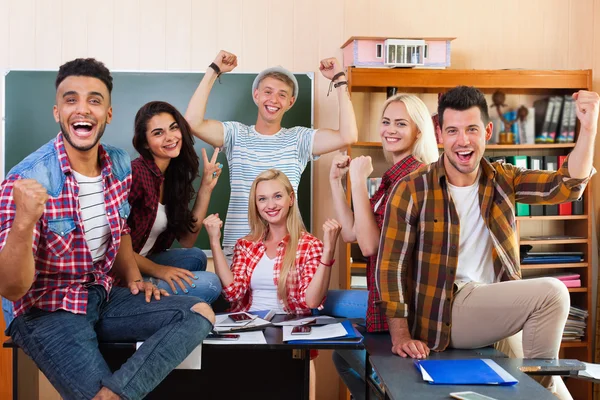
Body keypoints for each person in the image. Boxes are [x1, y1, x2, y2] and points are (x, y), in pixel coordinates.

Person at [0, 58, 215, 400]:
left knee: (199, 312)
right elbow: (12, 289)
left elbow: (122, 230)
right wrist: (24, 224)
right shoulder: (27, 179)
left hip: (100, 294)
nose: (82, 109)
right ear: (57, 112)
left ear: (108, 114)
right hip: (47, 310)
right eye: (71, 99)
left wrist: (133, 277)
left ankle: (114, 395)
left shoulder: (116, 164)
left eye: (94, 100)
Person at [376, 85, 598, 398]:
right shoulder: (413, 188)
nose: (462, 141)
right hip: (447, 314)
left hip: (496, 308)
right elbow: (390, 266)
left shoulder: (504, 178)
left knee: (560, 394)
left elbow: (566, 187)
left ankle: (538, 387)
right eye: (452, 130)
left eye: (471, 129)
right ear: (440, 135)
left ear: (487, 131)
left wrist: (588, 130)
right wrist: (400, 334)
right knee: (553, 294)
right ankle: (533, 390)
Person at [186, 50, 357, 261]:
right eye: (267, 92)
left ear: (290, 102)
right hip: (239, 247)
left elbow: (348, 136)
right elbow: (193, 123)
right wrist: (214, 70)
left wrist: (339, 79)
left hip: (287, 249)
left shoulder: (299, 139)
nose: (274, 99)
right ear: (256, 95)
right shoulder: (235, 134)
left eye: (282, 94)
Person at [328, 94, 439, 399]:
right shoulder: (393, 178)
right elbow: (352, 232)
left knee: (326, 314)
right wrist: (336, 182)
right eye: (386, 122)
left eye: (401, 124)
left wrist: (358, 183)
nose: (390, 129)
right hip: (380, 293)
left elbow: (368, 245)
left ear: (418, 131)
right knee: (341, 355)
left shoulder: (411, 179)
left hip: (398, 300)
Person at [203, 169, 342, 315]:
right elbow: (233, 294)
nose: (270, 206)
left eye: (277, 196)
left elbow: (312, 302)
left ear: (291, 199)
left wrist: (328, 250)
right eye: (262, 199)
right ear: (256, 204)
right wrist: (214, 242)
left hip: (288, 326)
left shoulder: (310, 246)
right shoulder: (245, 245)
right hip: (248, 325)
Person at [128, 101, 222, 302]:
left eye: (173, 128)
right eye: (158, 133)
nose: (170, 137)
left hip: (144, 259)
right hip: (123, 270)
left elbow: (187, 240)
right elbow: (115, 246)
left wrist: (205, 187)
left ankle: (159, 291)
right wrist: (160, 271)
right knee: (211, 284)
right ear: (145, 143)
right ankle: (145, 290)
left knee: (196, 257)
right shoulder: (135, 174)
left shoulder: (171, 176)